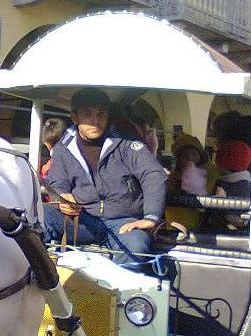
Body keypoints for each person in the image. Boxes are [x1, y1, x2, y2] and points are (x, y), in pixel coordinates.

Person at [46, 88, 167, 265]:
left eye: (101, 114)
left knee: (136, 245)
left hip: (123, 222)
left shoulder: (127, 143)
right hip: (81, 220)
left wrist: (151, 218)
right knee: (39, 220)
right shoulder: (63, 148)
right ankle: (43, 284)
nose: (95, 121)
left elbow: (153, 174)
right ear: (75, 117)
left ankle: (120, 291)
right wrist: (62, 198)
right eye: (87, 114)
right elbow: (57, 182)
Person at [204, 140, 251, 234]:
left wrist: (221, 203)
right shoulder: (224, 180)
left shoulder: (241, 186)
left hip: (228, 234)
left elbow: (239, 221)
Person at [165, 133, 209, 230]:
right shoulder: (173, 177)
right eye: (185, 156)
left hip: (197, 226)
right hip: (174, 225)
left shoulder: (207, 174)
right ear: (178, 159)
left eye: (194, 154)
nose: (190, 158)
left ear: (201, 156)